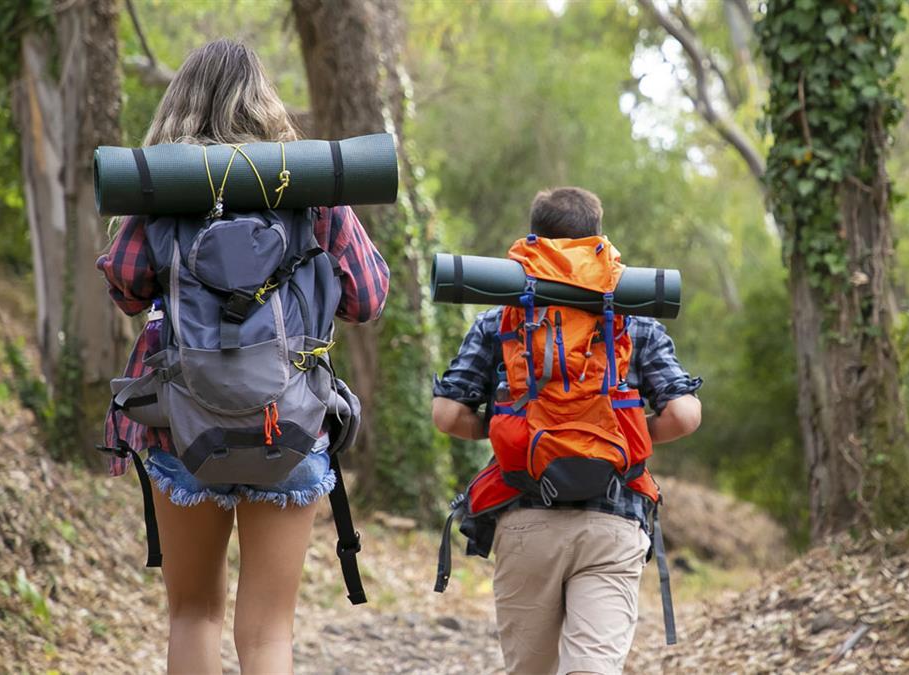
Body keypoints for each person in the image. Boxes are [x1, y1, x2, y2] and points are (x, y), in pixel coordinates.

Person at [96, 40, 389, 675]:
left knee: (192, 614)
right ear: (265, 102)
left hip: (182, 426)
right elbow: (367, 298)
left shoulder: (166, 190)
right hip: (290, 421)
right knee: (269, 632)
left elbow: (124, 286)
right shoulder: (310, 188)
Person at [431, 187, 702, 675]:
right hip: (614, 519)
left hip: (526, 516)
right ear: (597, 237)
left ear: (534, 239)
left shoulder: (501, 319)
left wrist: (510, 427)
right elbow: (684, 415)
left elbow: (448, 415)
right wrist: (624, 431)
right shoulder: (632, 320)